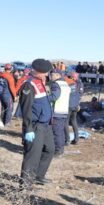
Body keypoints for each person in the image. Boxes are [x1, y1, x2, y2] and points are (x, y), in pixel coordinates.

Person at [19, 58, 55, 188]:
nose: (47, 74)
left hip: (46, 125)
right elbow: (26, 108)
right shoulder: (29, 85)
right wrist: (28, 128)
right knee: (32, 156)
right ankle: (25, 185)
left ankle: (38, 176)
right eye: (44, 72)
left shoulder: (41, 82)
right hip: (35, 126)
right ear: (36, 71)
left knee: (50, 150)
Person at [48, 70, 71, 155]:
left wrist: (45, 98)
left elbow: (54, 97)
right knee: (60, 132)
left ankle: (58, 151)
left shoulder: (56, 84)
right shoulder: (65, 84)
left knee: (56, 132)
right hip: (64, 110)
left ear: (57, 75)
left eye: (52, 75)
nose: (50, 76)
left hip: (57, 111)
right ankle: (60, 149)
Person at [64, 71, 83, 145]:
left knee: (66, 122)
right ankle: (76, 138)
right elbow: (80, 93)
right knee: (74, 121)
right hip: (75, 104)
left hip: (69, 104)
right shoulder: (79, 83)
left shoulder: (69, 83)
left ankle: (67, 140)